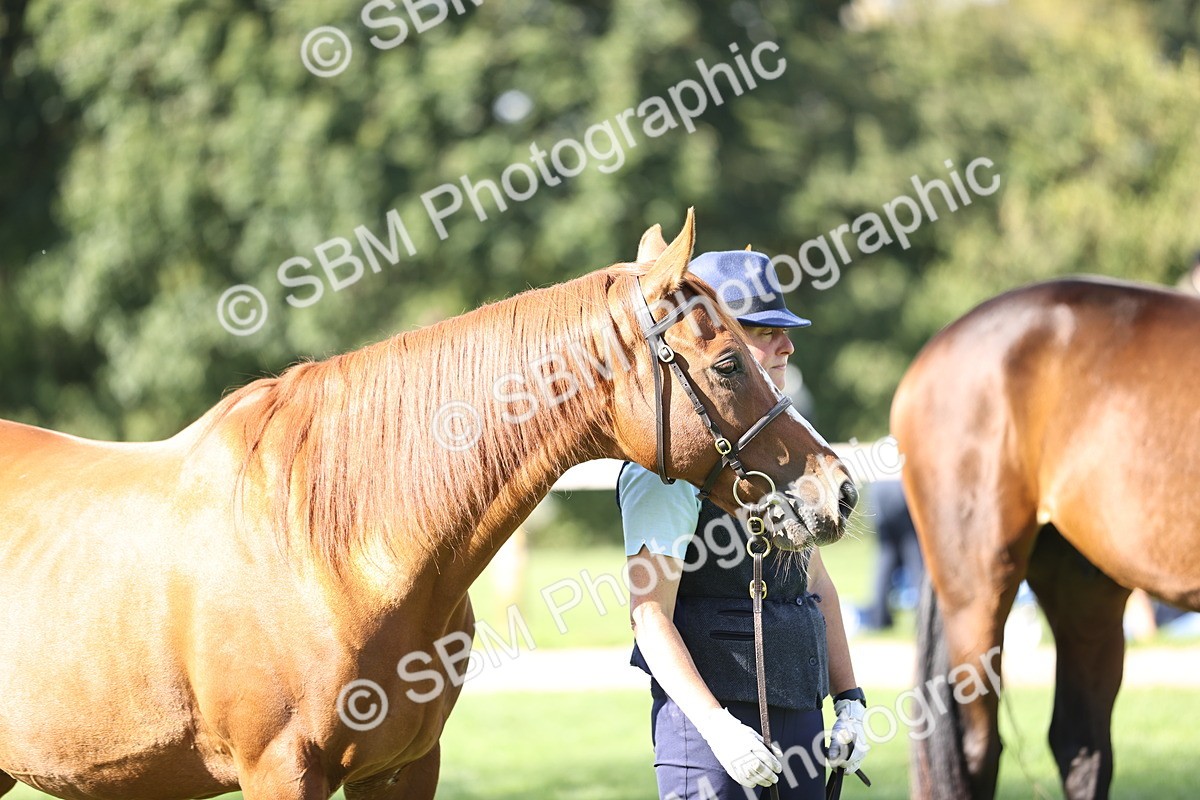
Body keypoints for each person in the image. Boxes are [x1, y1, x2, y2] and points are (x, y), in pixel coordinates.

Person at [617, 250, 869, 800]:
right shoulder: (670, 461)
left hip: (803, 712)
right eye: (766, 330)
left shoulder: (787, 439)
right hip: (710, 735)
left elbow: (814, 581)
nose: (788, 345)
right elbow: (649, 612)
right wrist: (715, 726)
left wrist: (849, 698)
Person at [861, 478, 923, 631]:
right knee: (916, 560)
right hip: (900, 487)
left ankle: (879, 619)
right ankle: (923, 619)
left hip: (877, 489)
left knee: (885, 559)